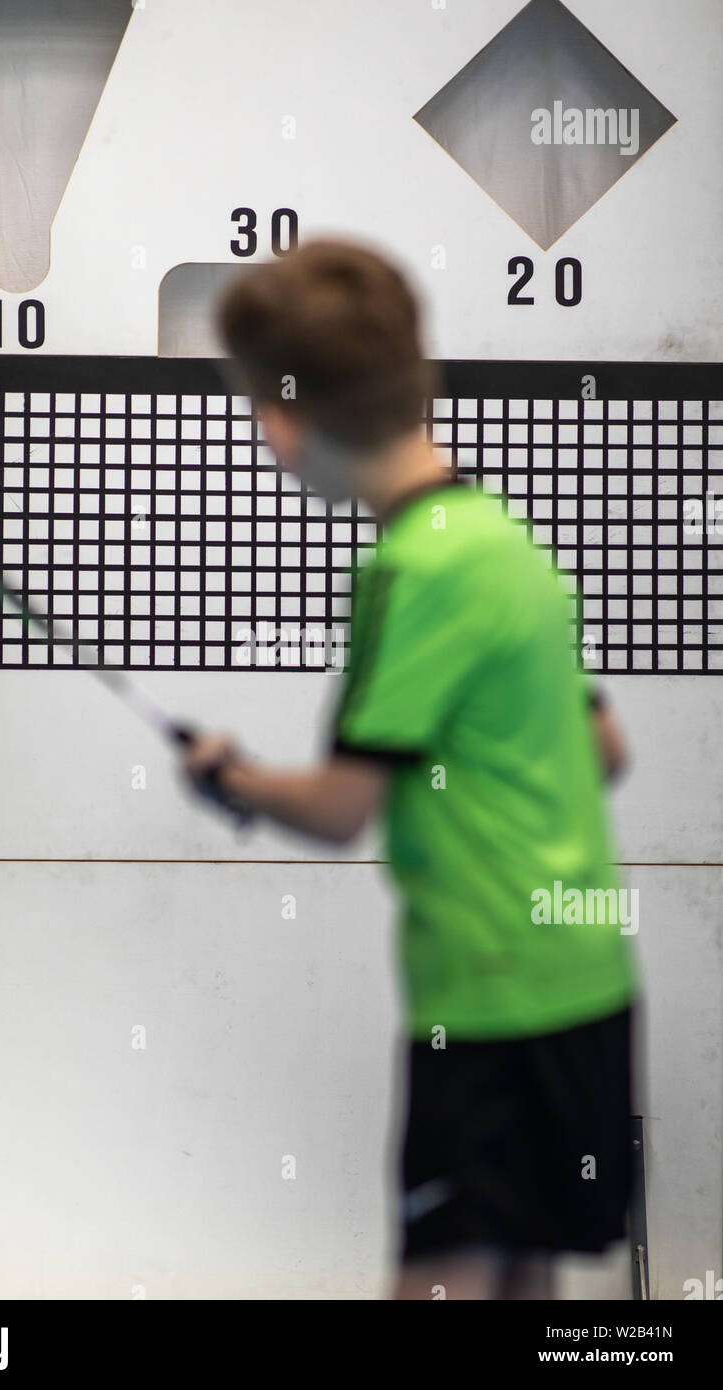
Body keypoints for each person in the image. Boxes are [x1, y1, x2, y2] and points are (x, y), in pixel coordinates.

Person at [179, 238, 638, 1300]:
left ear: (283, 424)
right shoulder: (501, 538)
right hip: (586, 982)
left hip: (482, 996)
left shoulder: (407, 567)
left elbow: (341, 808)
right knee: (524, 1280)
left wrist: (229, 776)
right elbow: (603, 748)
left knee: (438, 1283)